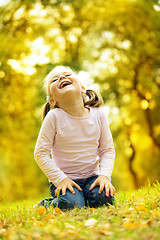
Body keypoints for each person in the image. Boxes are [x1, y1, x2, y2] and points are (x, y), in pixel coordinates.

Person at [34, 65, 115, 210]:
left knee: (105, 198)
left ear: (82, 89)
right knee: (72, 205)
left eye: (66, 74)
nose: (61, 78)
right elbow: (40, 153)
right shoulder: (54, 117)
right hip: (65, 179)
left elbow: (107, 150)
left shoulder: (99, 115)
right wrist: (60, 180)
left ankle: (84, 197)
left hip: (92, 178)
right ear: (52, 101)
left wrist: (104, 176)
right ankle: (46, 205)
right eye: (54, 80)